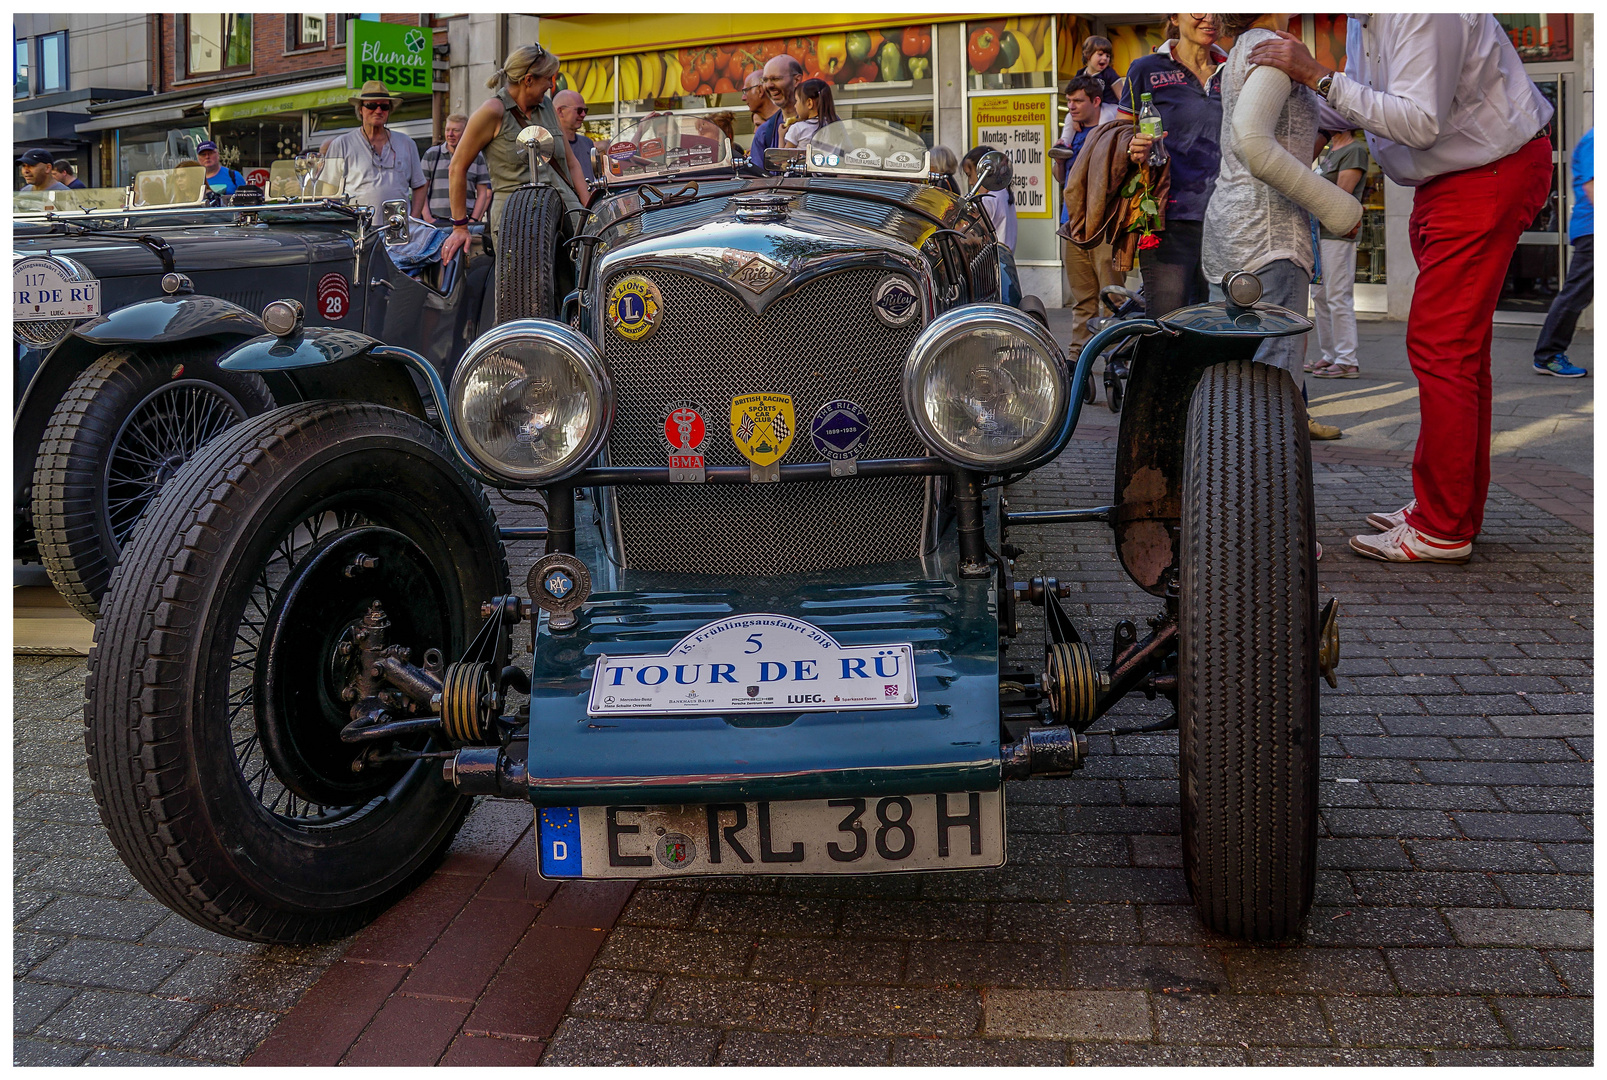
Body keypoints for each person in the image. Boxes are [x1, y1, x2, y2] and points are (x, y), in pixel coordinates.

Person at [1251, 16, 1554, 564]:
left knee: (1442, 348)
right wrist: (1304, 93)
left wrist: (1318, 76)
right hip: (1461, 176)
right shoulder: (1368, 17)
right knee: (1458, 352)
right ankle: (1450, 508)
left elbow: (1418, 122)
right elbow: (1368, 104)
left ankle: (1442, 527)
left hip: (1479, 175)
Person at [1201, 12, 1361, 420]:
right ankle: (1262, 482)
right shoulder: (1272, 50)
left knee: (1230, 376)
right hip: (1270, 239)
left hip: (1230, 232)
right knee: (1271, 384)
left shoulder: (1241, 50)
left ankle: (1225, 477)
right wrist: (1338, 207)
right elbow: (1253, 141)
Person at [443, 43, 590, 264]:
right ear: (528, 80)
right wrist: (460, 227)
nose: (551, 85)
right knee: (527, 296)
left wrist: (589, 212)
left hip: (569, 223)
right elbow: (456, 168)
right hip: (520, 226)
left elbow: (571, 163)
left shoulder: (547, 107)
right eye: (548, 79)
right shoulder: (493, 111)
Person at [1121, 14, 1226, 318]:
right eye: (1198, 10)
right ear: (1174, 15)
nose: (1210, 19)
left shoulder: (1233, 70)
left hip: (1226, 219)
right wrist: (1132, 146)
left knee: (1218, 327)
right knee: (1168, 326)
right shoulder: (1146, 69)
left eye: (1218, 11)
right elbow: (1119, 135)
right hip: (1168, 217)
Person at [1055, 75, 1124, 359]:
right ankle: (1077, 358)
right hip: (1071, 224)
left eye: (1078, 101)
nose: (1071, 106)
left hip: (1104, 227)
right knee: (1082, 300)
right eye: (1069, 101)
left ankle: (1114, 357)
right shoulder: (1070, 135)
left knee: (1113, 298)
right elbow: (1060, 179)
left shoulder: (1114, 132)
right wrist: (1059, 161)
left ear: (1096, 101)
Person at [1309, 128, 1372, 378]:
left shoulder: (1354, 150)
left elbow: (1340, 195)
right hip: (1318, 234)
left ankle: (1347, 360)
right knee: (1320, 296)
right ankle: (1329, 354)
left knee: (1338, 295)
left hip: (1337, 233)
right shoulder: (1328, 152)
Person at [1529, 127, 1592, 379]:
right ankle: (1547, 355)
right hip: (1594, 231)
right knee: (1576, 292)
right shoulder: (1597, 140)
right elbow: (1593, 186)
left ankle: (1548, 354)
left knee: (1577, 292)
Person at [318, 81, 426, 215]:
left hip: (397, 229)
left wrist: (413, 221)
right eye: (371, 105)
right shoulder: (342, 144)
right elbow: (329, 192)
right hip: (357, 228)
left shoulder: (406, 143)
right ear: (360, 109)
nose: (378, 111)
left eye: (384, 107)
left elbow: (420, 185)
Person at [417, 113, 491, 227]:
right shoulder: (432, 154)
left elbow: (483, 193)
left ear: (466, 132)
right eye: (447, 130)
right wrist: (428, 218)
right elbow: (422, 189)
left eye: (455, 130)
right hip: (437, 221)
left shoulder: (477, 156)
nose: (450, 134)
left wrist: (474, 219)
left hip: (466, 222)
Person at [750, 55, 803, 171]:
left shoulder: (824, 125)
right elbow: (757, 179)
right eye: (765, 80)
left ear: (796, 80)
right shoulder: (764, 133)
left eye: (776, 79)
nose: (769, 85)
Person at [963, 145, 1017, 250]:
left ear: (983, 173)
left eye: (970, 175)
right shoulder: (1003, 193)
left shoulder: (988, 199)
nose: (970, 182)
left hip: (992, 260)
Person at [553, 90, 596, 185]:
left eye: (585, 111)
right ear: (560, 111)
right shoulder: (550, 145)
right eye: (579, 110)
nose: (583, 115)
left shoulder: (587, 143)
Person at [783, 79, 839, 150]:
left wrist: (781, 136)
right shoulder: (837, 126)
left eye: (796, 101)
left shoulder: (797, 128)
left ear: (809, 103)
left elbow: (783, 158)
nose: (795, 105)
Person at [1080, 34, 1121, 106]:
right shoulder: (1081, 74)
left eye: (1107, 56)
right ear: (1088, 55)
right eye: (1100, 54)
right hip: (1089, 109)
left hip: (1108, 108)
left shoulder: (1109, 73)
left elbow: (1121, 95)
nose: (1105, 58)